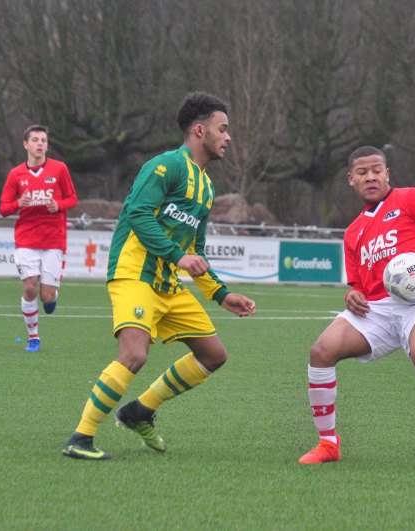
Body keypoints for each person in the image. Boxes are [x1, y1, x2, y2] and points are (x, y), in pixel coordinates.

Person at [62, 92, 256, 460]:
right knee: (134, 354)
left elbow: (195, 251)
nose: (228, 137)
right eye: (223, 129)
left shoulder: (207, 187)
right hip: (135, 275)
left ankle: (140, 411)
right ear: (200, 130)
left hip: (168, 285)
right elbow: (138, 215)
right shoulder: (165, 167)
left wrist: (222, 295)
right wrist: (177, 256)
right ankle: (80, 437)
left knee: (213, 355)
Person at [298, 146, 415, 471]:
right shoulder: (353, 232)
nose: (371, 177)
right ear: (351, 180)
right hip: (376, 310)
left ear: (387, 174)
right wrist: (352, 294)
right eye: (363, 172)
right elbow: (357, 285)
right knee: (321, 351)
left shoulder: (411, 199)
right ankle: (328, 444)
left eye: (377, 170)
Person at [0, 125, 78, 352]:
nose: (40, 144)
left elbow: (72, 199)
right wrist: (17, 204)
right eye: (35, 140)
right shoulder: (16, 174)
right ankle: (33, 337)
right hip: (26, 239)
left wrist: (59, 205)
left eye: (43, 140)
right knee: (30, 287)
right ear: (26, 144)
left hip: (53, 239)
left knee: (47, 296)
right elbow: (4, 208)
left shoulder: (59, 169)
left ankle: (52, 296)